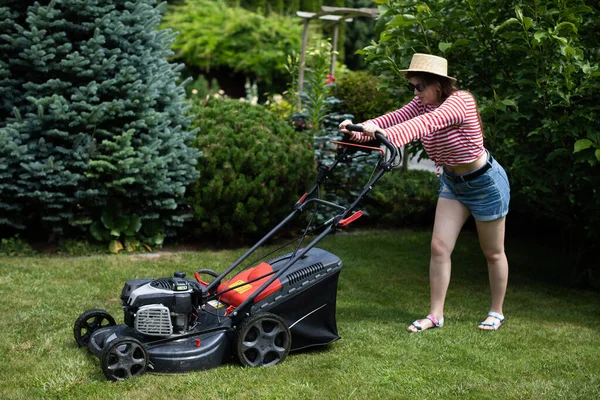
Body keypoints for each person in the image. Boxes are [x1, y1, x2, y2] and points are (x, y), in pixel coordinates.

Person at [339, 53, 510, 332]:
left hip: (484, 184)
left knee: (492, 252)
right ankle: (435, 315)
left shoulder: (460, 102)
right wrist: (355, 131)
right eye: (412, 87)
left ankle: (496, 312)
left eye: (419, 86)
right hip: (453, 183)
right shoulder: (421, 103)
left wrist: (382, 133)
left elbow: (423, 126)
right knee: (438, 247)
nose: (416, 93)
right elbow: (392, 119)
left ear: (439, 84)